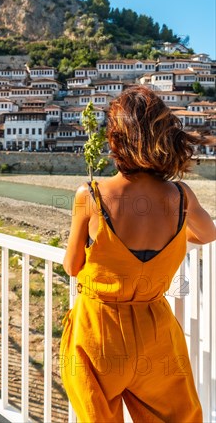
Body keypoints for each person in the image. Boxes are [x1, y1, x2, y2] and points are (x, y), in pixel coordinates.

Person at [60, 86, 215, 423]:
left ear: (116, 139)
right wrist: (173, 234)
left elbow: (72, 266)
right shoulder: (181, 197)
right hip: (156, 333)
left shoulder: (91, 196)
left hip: (99, 333)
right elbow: (207, 234)